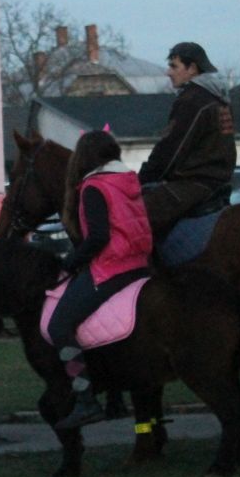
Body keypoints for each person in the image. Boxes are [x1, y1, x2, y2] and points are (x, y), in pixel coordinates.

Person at [50, 130, 153, 431]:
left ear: (84, 157)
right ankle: (117, 397)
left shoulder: (93, 186)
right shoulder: (128, 181)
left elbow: (98, 237)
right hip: (140, 266)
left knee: (59, 326)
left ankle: (86, 401)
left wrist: (71, 262)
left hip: (111, 268)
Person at [137, 42, 236, 240]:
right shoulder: (219, 98)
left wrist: (141, 179)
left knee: (134, 216)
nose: (168, 72)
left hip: (194, 183)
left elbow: (171, 149)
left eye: (174, 66)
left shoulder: (193, 100)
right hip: (219, 182)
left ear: (192, 68)